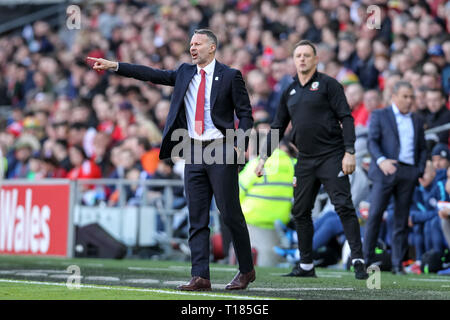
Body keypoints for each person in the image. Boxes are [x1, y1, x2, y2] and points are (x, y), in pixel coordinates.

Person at [87, 29, 255, 291]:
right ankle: (200, 275)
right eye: (190, 44)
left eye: (198, 43)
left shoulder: (231, 76)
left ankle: (246, 270)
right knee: (197, 217)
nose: (192, 47)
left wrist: (239, 145)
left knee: (230, 212)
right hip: (193, 151)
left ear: (212, 47)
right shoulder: (185, 73)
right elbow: (152, 74)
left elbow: (246, 115)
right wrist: (117, 66)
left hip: (221, 148)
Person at [256, 40, 368, 280]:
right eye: (298, 56)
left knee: (344, 206)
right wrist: (263, 157)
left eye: (307, 55)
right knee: (300, 211)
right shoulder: (289, 91)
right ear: (294, 60)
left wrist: (350, 151)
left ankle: (358, 258)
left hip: (332, 156)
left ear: (316, 59)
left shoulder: (329, 85)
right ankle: (306, 264)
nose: (303, 59)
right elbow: (277, 127)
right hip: (305, 160)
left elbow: (346, 118)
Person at [363, 81, 427, 275]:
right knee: (375, 215)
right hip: (385, 170)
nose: (409, 101)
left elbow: (423, 148)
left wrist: (418, 170)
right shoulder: (380, 115)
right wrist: (382, 161)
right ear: (394, 96)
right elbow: (372, 141)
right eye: (405, 96)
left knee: (400, 220)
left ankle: (398, 264)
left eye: (411, 97)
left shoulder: (416, 119)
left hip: (408, 173)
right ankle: (366, 260)